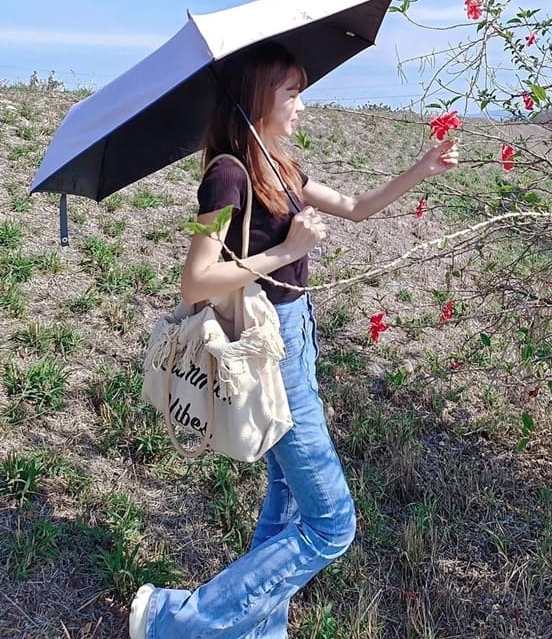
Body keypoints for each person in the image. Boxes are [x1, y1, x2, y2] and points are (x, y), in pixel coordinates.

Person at [129, 41, 459, 639]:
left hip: (297, 337)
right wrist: (287, 251)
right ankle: (172, 620)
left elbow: (357, 207)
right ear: (258, 96)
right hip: (265, 343)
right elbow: (197, 279)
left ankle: (259, 631)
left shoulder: (278, 165)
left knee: (284, 498)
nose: (302, 104)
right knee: (332, 524)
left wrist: (422, 168)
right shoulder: (227, 174)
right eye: (292, 91)